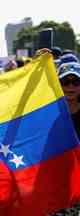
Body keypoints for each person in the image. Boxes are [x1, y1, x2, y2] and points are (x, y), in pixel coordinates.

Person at [50, 62, 80, 215]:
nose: (71, 87)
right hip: (55, 180)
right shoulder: (47, 112)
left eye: (76, 82)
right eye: (65, 82)